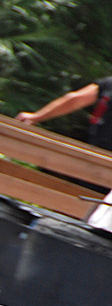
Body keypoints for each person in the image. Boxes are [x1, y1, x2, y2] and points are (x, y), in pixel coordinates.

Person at [16, 77, 112, 231]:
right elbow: (74, 99)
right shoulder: (108, 84)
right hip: (96, 164)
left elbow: (74, 99)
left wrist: (37, 117)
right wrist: (36, 116)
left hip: (95, 164)